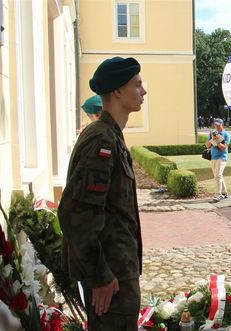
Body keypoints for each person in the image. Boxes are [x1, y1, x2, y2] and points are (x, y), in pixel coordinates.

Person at [59, 57, 146, 330]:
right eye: (138, 84)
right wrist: (100, 276)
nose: (144, 91)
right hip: (112, 277)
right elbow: (75, 212)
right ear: (118, 91)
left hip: (117, 270)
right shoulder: (102, 139)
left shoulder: (110, 134)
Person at [206, 118, 230, 201]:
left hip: (222, 157)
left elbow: (224, 148)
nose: (216, 126)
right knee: (218, 176)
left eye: (218, 125)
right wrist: (213, 138)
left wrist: (217, 140)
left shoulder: (226, 134)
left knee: (218, 175)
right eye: (215, 125)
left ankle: (218, 194)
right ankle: (225, 193)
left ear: (222, 125)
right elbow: (207, 146)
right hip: (213, 157)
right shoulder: (212, 133)